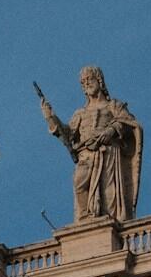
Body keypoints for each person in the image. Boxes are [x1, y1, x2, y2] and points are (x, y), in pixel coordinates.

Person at [40, 67, 143, 224]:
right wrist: (50, 117)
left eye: (89, 79)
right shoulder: (80, 113)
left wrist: (111, 129)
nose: (86, 84)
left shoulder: (113, 105)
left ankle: (109, 223)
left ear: (99, 81)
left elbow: (128, 122)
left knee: (109, 192)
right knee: (79, 182)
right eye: (83, 82)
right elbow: (67, 134)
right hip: (86, 154)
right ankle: (84, 218)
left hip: (108, 152)